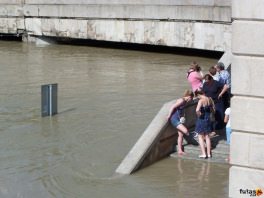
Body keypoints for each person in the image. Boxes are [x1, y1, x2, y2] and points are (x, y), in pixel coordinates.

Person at [168, 90, 194, 155]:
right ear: (189, 96)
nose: (191, 100)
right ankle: (194, 137)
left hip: (179, 119)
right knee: (185, 131)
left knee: (181, 135)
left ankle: (180, 150)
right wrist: (169, 115)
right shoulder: (181, 100)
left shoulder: (185, 101)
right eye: (191, 98)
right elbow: (173, 106)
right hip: (174, 119)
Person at [194, 90, 215, 159]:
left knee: (200, 136)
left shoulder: (201, 101)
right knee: (207, 136)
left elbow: (197, 110)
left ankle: (203, 154)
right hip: (208, 119)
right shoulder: (209, 99)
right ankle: (209, 154)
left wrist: (199, 115)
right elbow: (213, 109)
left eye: (197, 97)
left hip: (202, 119)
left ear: (198, 95)